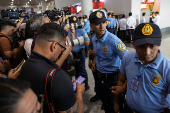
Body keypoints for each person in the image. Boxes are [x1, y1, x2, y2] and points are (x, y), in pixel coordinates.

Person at [20, 23, 85, 113]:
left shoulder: (24, 65)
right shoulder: (59, 78)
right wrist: (79, 93)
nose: (61, 51)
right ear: (54, 45)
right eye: (62, 47)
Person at [112, 23, 170, 113]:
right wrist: (117, 101)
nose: (147, 52)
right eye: (141, 46)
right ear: (133, 44)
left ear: (160, 43)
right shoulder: (127, 58)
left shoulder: (167, 68)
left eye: (152, 46)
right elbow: (122, 80)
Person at [89, 11, 128, 113]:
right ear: (91, 26)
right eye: (98, 23)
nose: (102, 26)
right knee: (105, 102)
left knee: (113, 105)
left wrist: (123, 86)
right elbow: (98, 54)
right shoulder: (94, 39)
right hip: (100, 76)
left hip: (113, 78)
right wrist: (93, 61)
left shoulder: (114, 41)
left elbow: (128, 60)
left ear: (107, 23)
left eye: (104, 22)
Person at [68, 16, 90, 91]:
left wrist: (79, 41)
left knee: (82, 70)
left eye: (75, 24)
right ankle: (78, 85)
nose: (73, 26)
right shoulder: (68, 31)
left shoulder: (82, 31)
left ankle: (86, 85)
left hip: (80, 54)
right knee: (76, 71)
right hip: (72, 55)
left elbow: (87, 42)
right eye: (72, 24)